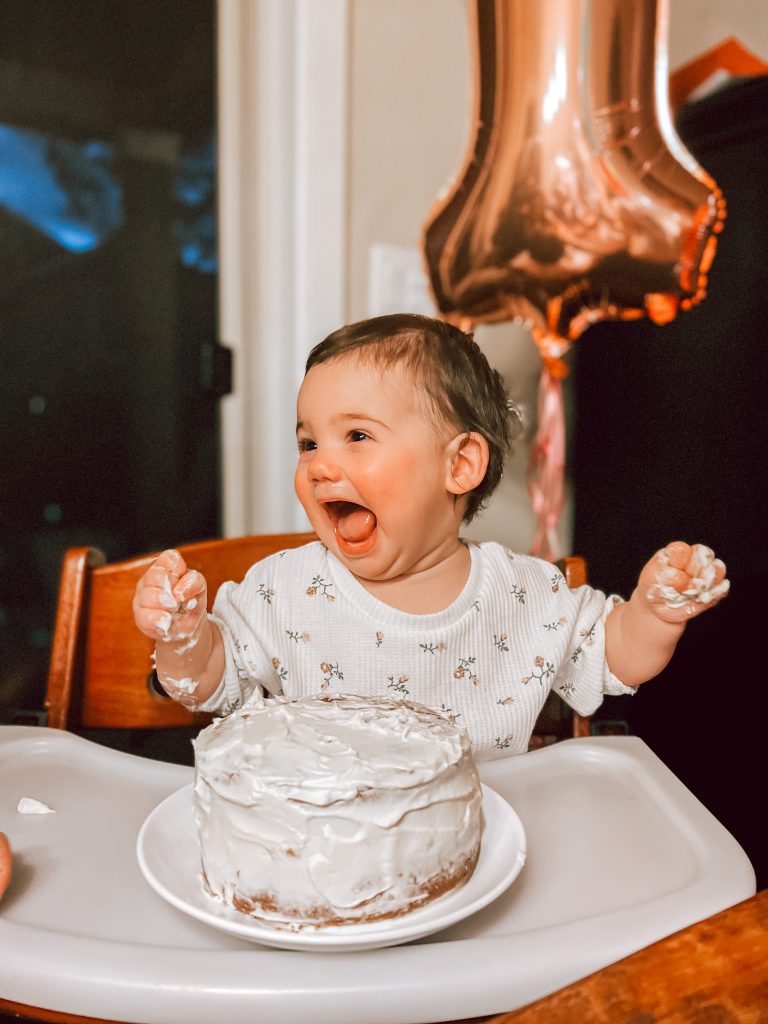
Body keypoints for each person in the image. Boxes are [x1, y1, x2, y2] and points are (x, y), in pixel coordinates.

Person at [132, 313, 729, 760]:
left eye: (357, 436)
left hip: (481, 851)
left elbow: (615, 658)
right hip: (316, 849)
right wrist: (184, 637)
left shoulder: (524, 595)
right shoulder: (281, 591)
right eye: (309, 442)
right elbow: (206, 686)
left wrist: (655, 613)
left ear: (460, 465)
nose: (318, 464)